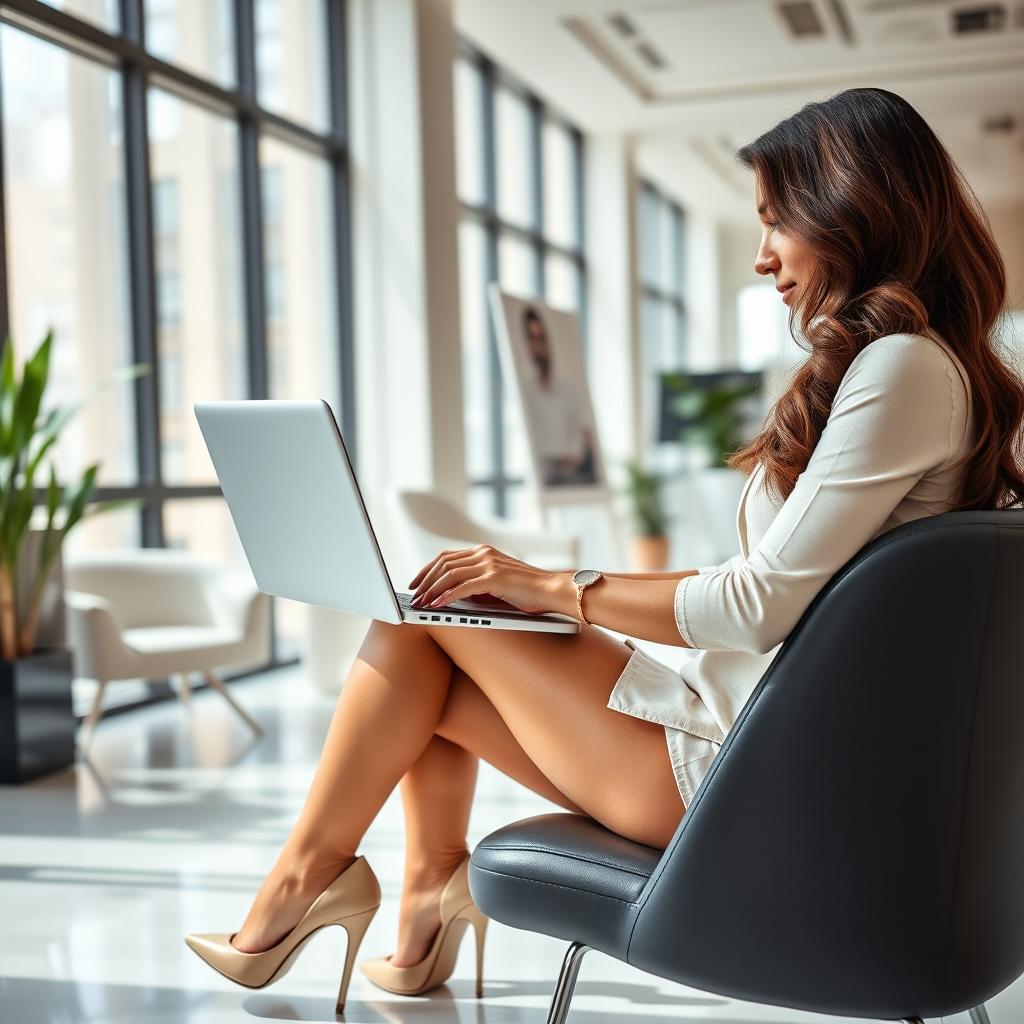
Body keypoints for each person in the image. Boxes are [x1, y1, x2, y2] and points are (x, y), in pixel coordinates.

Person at [184, 87, 1024, 1010]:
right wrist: (549, 592)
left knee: (430, 623)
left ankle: (315, 886)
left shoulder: (903, 367)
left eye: (779, 221)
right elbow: (767, 590)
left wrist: (556, 586)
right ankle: (416, 898)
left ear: (853, 207)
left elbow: (755, 607)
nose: (762, 257)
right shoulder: (928, 366)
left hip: (747, 784)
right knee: (435, 631)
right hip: (777, 745)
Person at [519, 305, 597, 486]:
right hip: (545, 474)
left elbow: (585, 432)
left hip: (574, 472)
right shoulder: (527, 391)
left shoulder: (569, 388)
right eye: (532, 339)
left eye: (541, 338)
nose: (538, 346)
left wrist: (575, 453)